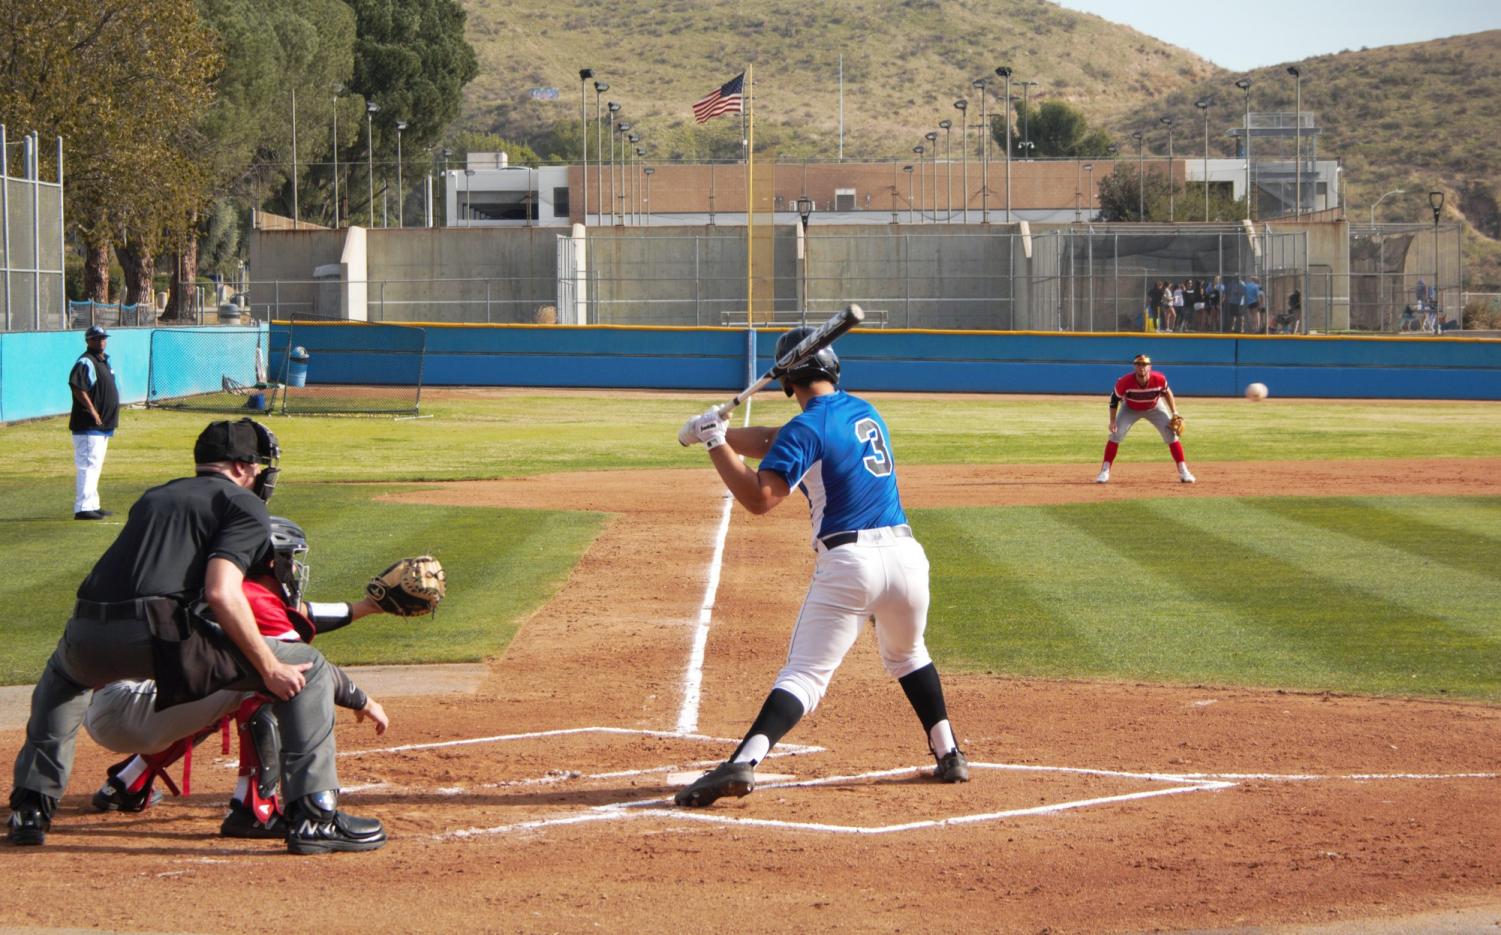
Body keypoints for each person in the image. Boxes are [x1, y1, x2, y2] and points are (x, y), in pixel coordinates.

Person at [6, 418, 385, 855]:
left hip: (87, 629)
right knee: (306, 667)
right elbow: (221, 591)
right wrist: (268, 666)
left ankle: (30, 809)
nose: (260, 474)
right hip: (159, 634)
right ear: (242, 466)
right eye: (257, 466)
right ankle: (315, 816)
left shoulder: (156, 495)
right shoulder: (244, 505)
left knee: (63, 681)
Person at [673, 329, 968, 807]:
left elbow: (760, 498)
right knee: (908, 654)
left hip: (851, 565)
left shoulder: (804, 430)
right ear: (832, 370)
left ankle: (743, 763)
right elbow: (775, 439)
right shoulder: (865, 412)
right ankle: (949, 752)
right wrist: (717, 435)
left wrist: (713, 445)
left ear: (788, 382)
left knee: (806, 675)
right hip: (908, 559)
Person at [83, 516, 392, 840]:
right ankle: (255, 811)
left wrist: (368, 607)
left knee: (223, 682)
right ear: (269, 561)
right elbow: (303, 665)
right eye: (289, 558)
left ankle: (128, 783)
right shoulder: (249, 598)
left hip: (121, 704)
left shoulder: (228, 588)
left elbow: (301, 616)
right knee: (268, 682)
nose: (295, 569)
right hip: (130, 705)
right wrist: (362, 699)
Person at [1093, 354, 1195, 485]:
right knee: (1115, 434)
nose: (1142, 367)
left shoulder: (1159, 379)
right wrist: (1112, 421)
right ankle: (1104, 472)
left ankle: (1183, 471)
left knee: (1171, 435)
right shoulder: (1125, 381)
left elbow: (1167, 392)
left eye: (1145, 364)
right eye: (1139, 364)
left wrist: (1175, 412)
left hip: (1154, 407)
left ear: (1150, 367)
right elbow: (1114, 400)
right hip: (1130, 408)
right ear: (1134, 366)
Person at [69, 325, 119, 520]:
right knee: (88, 465)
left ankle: (92, 503)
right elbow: (77, 386)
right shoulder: (85, 361)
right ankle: (82, 507)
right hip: (88, 425)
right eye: (96, 338)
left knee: (95, 465)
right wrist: (92, 410)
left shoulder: (104, 361)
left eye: (103, 338)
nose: (101, 341)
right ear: (88, 341)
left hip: (103, 425)